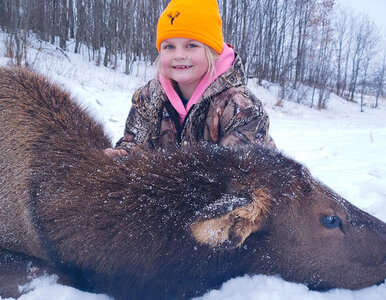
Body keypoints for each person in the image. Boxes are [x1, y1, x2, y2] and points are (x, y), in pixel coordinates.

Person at [104, 0, 275, 158]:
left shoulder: (241, 107)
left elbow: (238, 177)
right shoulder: (147, 98)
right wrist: (124, 157)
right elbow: (134, 144)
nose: (178, 55)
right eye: (169, 46)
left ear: (212, 52)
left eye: (191, 45)